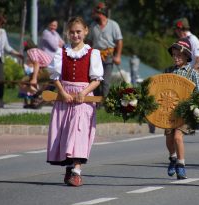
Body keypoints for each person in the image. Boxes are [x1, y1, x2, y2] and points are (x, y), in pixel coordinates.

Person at [46, 16, 104, 187]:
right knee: (64, 133)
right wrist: (62, 92)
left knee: (78, 133)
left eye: (79, 32)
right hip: (65, 98)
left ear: (85, 31)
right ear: (67, 33)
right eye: (72, 32)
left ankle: (77, 172)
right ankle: (69, 167)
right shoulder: (61, 52)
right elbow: (55, 76)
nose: (75, 35)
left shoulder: (93, 53)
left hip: (83, 100)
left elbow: (96, 79)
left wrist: (83, 92)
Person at [164, 38, 199, 179]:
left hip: (185, 111)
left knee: (177, 137)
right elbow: (162, 90)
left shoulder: (192, 73)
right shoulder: (169, 72)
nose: (175, 58)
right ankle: (173, 158)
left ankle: (181, 165)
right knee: (169, 138)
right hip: (169, 111)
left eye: (179, 55)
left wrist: (195, 106)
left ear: (186, 56)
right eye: (174, 55)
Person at [87, 2, 123, 97]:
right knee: (95, 79)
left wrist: (118, 56)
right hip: (95, 56)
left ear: (101, 13)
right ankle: (96, 102)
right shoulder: (93, 26)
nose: (93, 15)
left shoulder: (113, 25)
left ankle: (105, 103)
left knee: (106, 81)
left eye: (95, 13)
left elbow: (119, 41)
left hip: (109, 56)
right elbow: (89, 41)